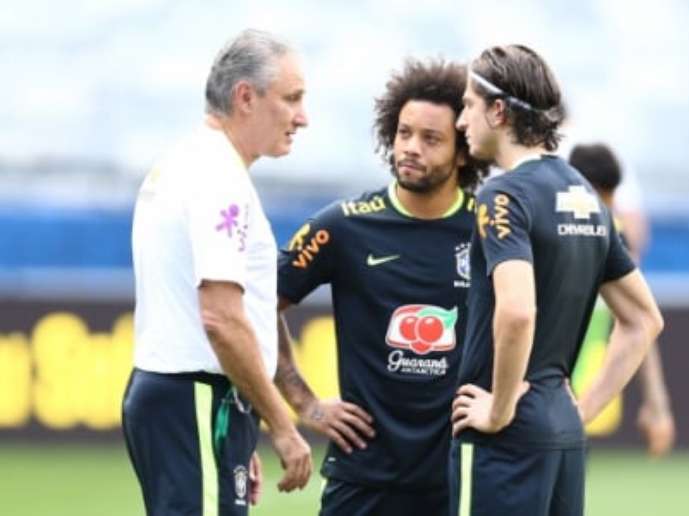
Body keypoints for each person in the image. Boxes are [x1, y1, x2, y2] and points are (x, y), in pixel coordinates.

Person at [450, 44, 664, 516]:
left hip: (506, 438)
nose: (461, 121)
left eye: (467, 105)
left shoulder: (503, 194)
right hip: (561, 431)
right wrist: (580, 411)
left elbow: (518, 310)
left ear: (499, 111)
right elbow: (645, 319)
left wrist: (500, 408)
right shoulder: (584, 193)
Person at [273, 59, 489, 515]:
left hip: (457, 477)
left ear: (464, 151)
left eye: (431, 139)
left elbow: (532, 318)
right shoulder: (343, 226)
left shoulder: (490, 230)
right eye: (404, 132)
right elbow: (256, 306)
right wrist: (305, 403)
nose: (411, 148)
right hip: (362, 479)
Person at [123, 29, 313, 516]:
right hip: (196, 399)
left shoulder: (188, 162)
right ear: (245, 97)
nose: (302, 118)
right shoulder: (218, 179)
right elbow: (222, 318)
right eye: (291, 99)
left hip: (197, 402)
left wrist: (240, 427)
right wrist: (282, 427)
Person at [568, 143, 675, 457]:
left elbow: (640, 321)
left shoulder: (611, 236)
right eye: (605, 198)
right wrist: (657, 405)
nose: (608, 210)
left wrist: (657, 404)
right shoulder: (599, 233)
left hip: (572, 390)